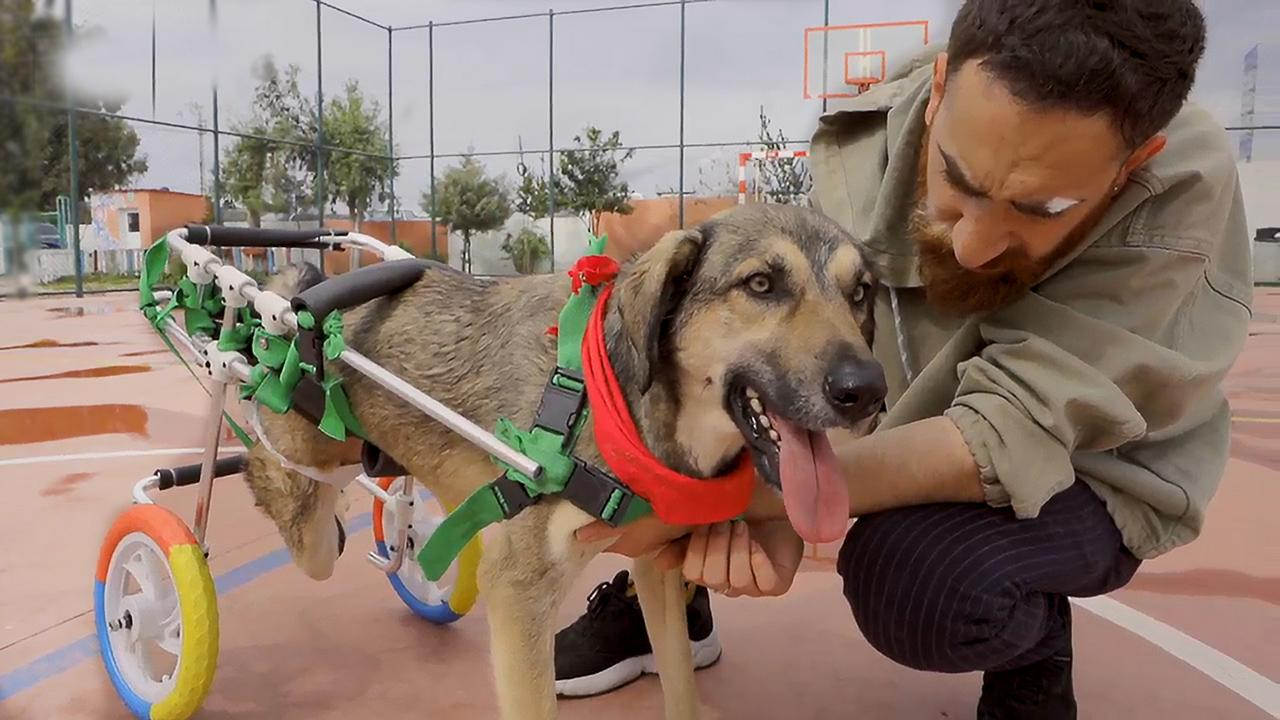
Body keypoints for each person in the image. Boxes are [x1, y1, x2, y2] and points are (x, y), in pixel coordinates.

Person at [553, 0, 1253, 717]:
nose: (975, 247)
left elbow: (1004, 430)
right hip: (914, 420)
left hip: (1094, 464)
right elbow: (811, 365)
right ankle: (667, 596)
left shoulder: (1182, 187)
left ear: (1133, 164)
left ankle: (1036, 642)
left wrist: (739, 502)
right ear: (941, 88)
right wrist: (754, 500)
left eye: (1042, 208)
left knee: (920, 586)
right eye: (958, 179)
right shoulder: (867, 133)